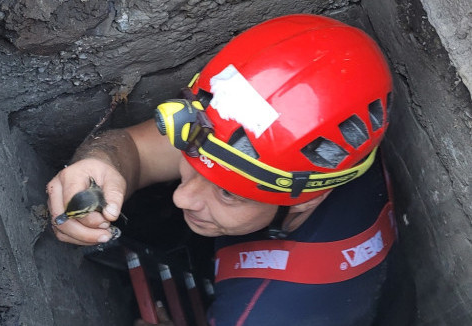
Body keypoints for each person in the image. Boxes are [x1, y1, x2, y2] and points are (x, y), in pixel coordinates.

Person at [47, 14, 408, 326]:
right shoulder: (319, 150)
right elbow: (137, 152)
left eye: (228, 193)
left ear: (305, 202)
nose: (181, 197)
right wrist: (102, 162)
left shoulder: (265, 314)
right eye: (190, 155)